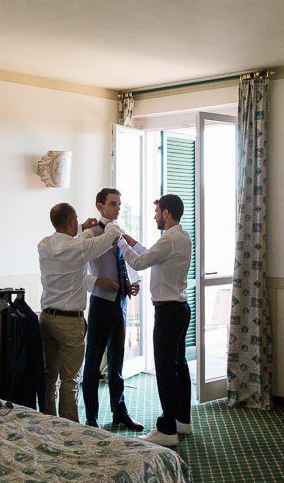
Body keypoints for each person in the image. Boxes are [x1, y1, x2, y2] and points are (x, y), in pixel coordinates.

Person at [116, 194, 193, 447]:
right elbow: (152, 254)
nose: (155, 216)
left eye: (158, 211)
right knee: (179, 366)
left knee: (165, 369)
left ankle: (167, 428)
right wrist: (132, 241)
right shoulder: (181, 237)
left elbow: (139, 261)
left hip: (168, 312)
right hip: (180, 307)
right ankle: (183, 420)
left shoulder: (169, 239)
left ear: (167, 213)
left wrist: (119, 243)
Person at [37, 202, 122, 422]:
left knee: (49, 376)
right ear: (72, 221)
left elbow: (70, 243)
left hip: (46, 318)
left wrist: (81, 229)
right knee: (70, 380)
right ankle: (69, 429)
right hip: (69, 323)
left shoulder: (44, 245)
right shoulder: (80, 248)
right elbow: (111, 236)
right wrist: (110, 222)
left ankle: (48, 422)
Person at [81, 188, 143, 431]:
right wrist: (99, 282)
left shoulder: (120, 232)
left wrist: (130, 284)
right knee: (93, 362)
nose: (118, 208)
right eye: (113, 204)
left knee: (117, 362)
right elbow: (77, 272)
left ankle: (120, 412)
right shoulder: (89, 235)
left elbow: (129, 261)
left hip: (121, 302)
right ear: (100, 206)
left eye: (119, 204)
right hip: (99, 303)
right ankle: (91, 418)